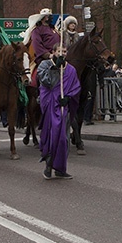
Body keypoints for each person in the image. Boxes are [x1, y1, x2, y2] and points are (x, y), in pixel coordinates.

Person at [38, 44, 81, 180]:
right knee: (52, 135)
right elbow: (46, 81)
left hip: (64, 107)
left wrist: (68, 97)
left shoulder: (71, 69)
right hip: (51, 105)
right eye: (59, 51)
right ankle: (48, 166)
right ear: (54, 52)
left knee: (63, 138)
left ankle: (61, 168)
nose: (62, 53)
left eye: (64, 51)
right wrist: (56, 68)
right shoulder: (44, 65)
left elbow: (76, 87)